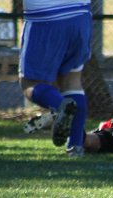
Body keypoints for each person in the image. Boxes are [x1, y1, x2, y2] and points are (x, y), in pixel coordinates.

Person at [19, 0, 92, 157]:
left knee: (29, 83)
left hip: (44, 17)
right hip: (80, 16)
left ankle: (60, 107)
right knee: (72, 81)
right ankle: (75, 146)